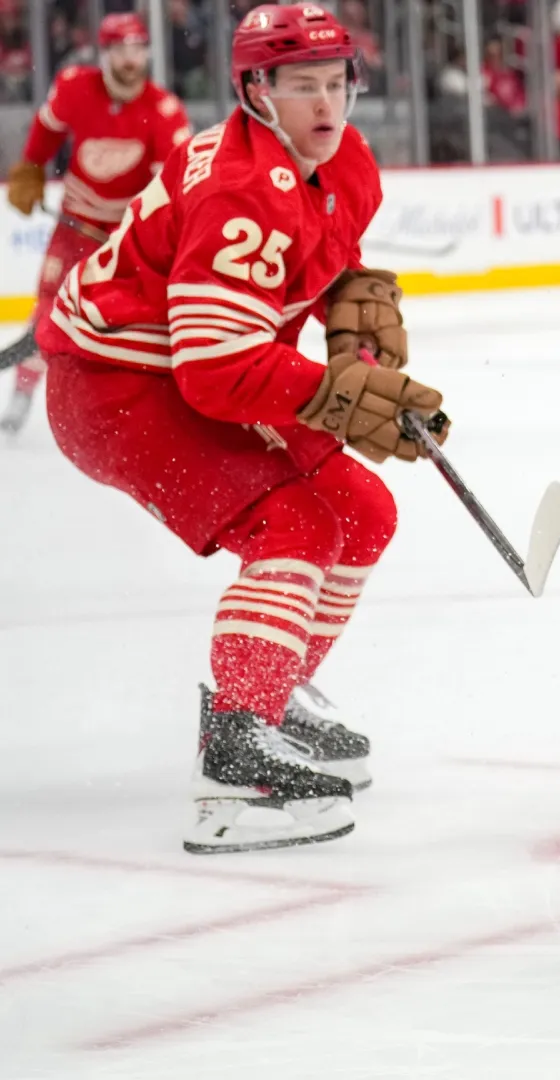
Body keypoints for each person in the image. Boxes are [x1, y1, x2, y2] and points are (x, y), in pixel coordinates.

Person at [34, 4, 447, 853]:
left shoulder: (345, 160)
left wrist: (354, 328)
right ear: (256, 89)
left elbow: (329, 267)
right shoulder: (240, 193)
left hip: (177, 368)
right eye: (303, 87)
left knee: (364, 513)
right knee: (291, 524)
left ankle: (270, 694)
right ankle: (234, 767)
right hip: (116, 388)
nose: (326, 107)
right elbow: (217, 370)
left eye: (336, 85)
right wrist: (345, 396)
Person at [3, 14, 189, 438]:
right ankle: (23, 396)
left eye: (139, 49)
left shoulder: (164, 112)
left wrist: (153, 239)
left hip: (127, 238)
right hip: (74, 225)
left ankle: (124, 410)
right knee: (48, 312)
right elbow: (47, 128)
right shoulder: (75, 86)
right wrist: (31, 167)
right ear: (103, 54)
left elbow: (173, 189)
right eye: (121, 50)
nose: (131, 59)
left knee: (130, 325)